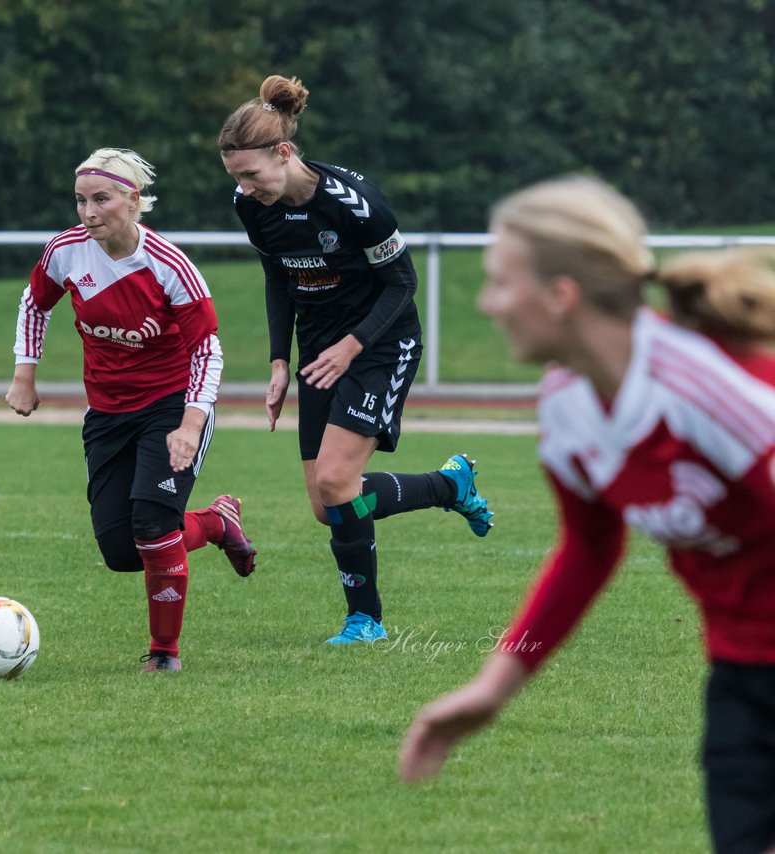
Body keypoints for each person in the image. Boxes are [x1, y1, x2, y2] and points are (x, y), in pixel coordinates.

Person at [397, 176, 775, 854]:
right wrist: (492, 688)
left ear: (560, 296)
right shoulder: (569, 404)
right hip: (743, 677)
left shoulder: (699, 388)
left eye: (499, 283)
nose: (486, 304)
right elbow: (588, 550)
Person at [218, 75, 494, 645]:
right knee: (329, 505)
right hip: (321, 351)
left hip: (381, 342)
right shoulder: (254, 206)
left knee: (338, 480)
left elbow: (402, 284)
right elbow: (278, 277)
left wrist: (352, 347)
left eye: (251, 174)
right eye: (235, 177)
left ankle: (365, 621)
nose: (244, 188)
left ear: (285, 153)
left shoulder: (356, 204)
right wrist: (277, 360)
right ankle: (450, 485)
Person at [6, 147, 257, 673]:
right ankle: (214, 524)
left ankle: (164, 655)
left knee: (152, 522)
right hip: (106, 414)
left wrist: (192, 423)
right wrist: (24, 375)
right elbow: (35, 303)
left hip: (169, 408)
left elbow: (207, 349)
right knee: (122, 550)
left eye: (101, 199)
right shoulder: (65, 252)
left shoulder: (169, 265)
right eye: (80, 201)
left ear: (133, 199)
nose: (89, 212)